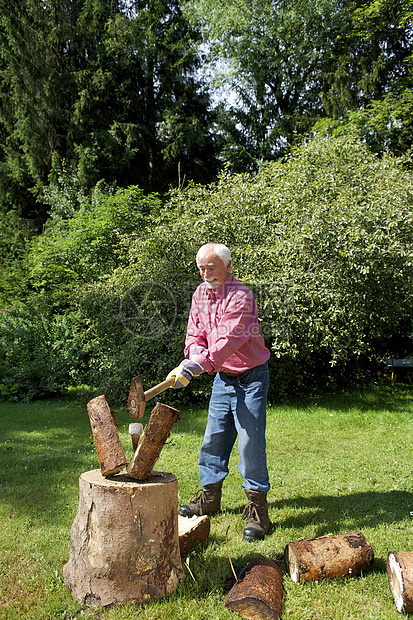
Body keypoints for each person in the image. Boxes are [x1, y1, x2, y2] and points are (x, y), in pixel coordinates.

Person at [167, 243, 271, 541]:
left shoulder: (241, 297)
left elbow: (228, 341)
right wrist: (193, 357)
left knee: (250, 443)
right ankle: (209, 499)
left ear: (226, 266)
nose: (205, 273)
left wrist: (198, 365)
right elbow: (194, 333)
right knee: (213, 438)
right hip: (223, 379)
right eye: (201, 268)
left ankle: (257, 511)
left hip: (251, 378)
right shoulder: (200, 294)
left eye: (211, 267)